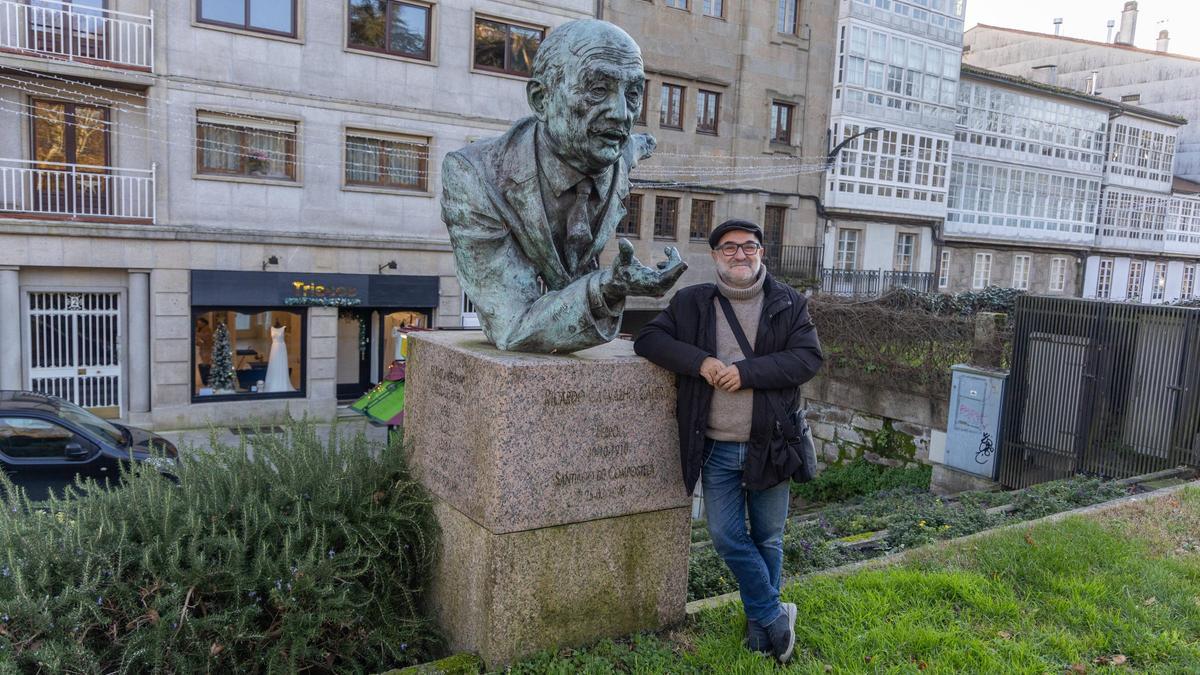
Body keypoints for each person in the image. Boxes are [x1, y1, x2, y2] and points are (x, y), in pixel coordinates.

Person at [634, 219, 823, 663]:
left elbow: (807, 358)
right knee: (725, 537)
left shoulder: (788, 303)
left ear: (762, 253)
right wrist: (700, 361)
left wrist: (745, 372)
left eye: (750, 247)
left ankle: (763, 633)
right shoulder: (692, 303)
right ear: (716, 255)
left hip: (772, 443)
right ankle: (776, 615)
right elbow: (648, 339)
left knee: (769, 538)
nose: (741, 254)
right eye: (730, 248)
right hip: (716, 446)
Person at [440, 19, 686, 354]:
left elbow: (633, 147)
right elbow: (513, 326)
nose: (620, 113)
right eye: (598, 90)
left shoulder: (618, 149)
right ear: (541, 99)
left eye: (632, 94)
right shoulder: (475, 176)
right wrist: (608, 288)